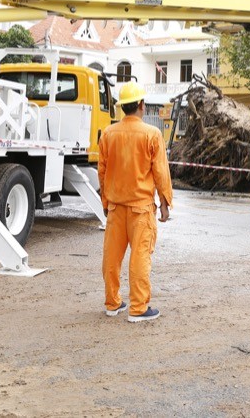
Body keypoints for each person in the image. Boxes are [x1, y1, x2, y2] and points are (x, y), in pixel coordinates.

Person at [98, 82, 172, 322]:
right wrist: (164, 202)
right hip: (141, 209)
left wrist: (106, 202)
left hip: (116, 207)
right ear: (141, 105)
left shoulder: (109, 134)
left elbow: (102, 171)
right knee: (140, 256)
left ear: (122, 108)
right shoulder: (152, 134)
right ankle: (138, 308)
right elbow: (160, 172)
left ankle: (112, 302)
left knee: (112, 256)